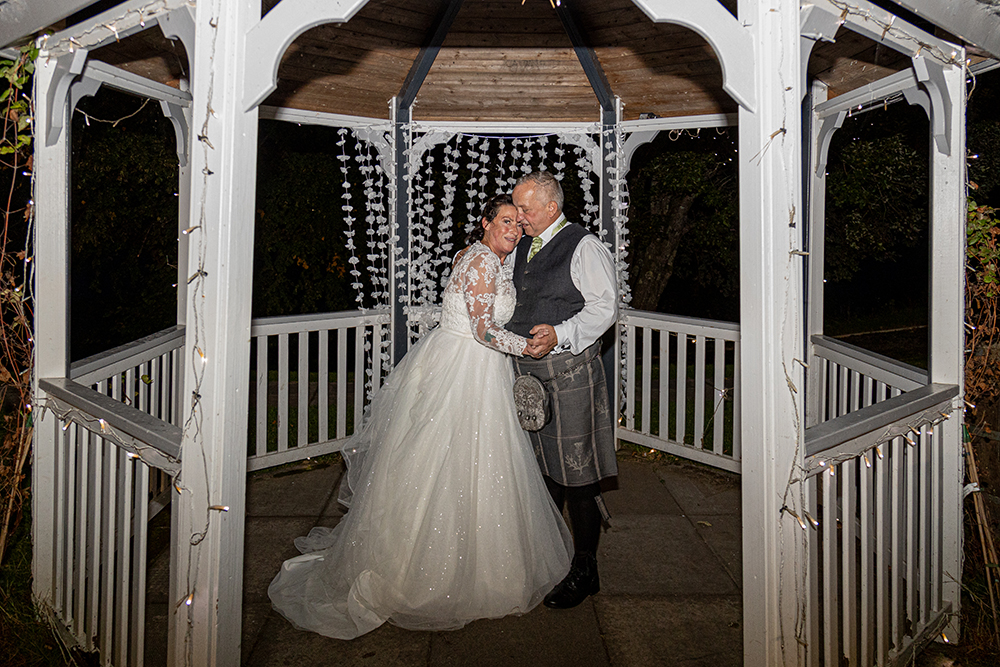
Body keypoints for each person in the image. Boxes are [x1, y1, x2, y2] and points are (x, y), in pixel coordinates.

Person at [267, 195, 572, 640]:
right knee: (449, 460)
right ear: (485, 222)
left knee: (465, 461)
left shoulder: (482, 257)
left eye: (519, 224)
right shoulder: (482, 261)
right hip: (465, 367)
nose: (514, 229)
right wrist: (527, 346)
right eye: (506, 220)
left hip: (470, 365)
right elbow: (483, 330)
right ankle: (434, 570)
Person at [508, 171, 619, 609]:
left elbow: (605, 307)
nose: (518, 216)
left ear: (551, 207)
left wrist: (561, 333)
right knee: (543, 470)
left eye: (525, 208)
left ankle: (585, 569)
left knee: (578, 475)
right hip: (527, 377)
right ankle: (551, 557)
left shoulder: (583, 246)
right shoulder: (523, 245)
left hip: (570, 374)